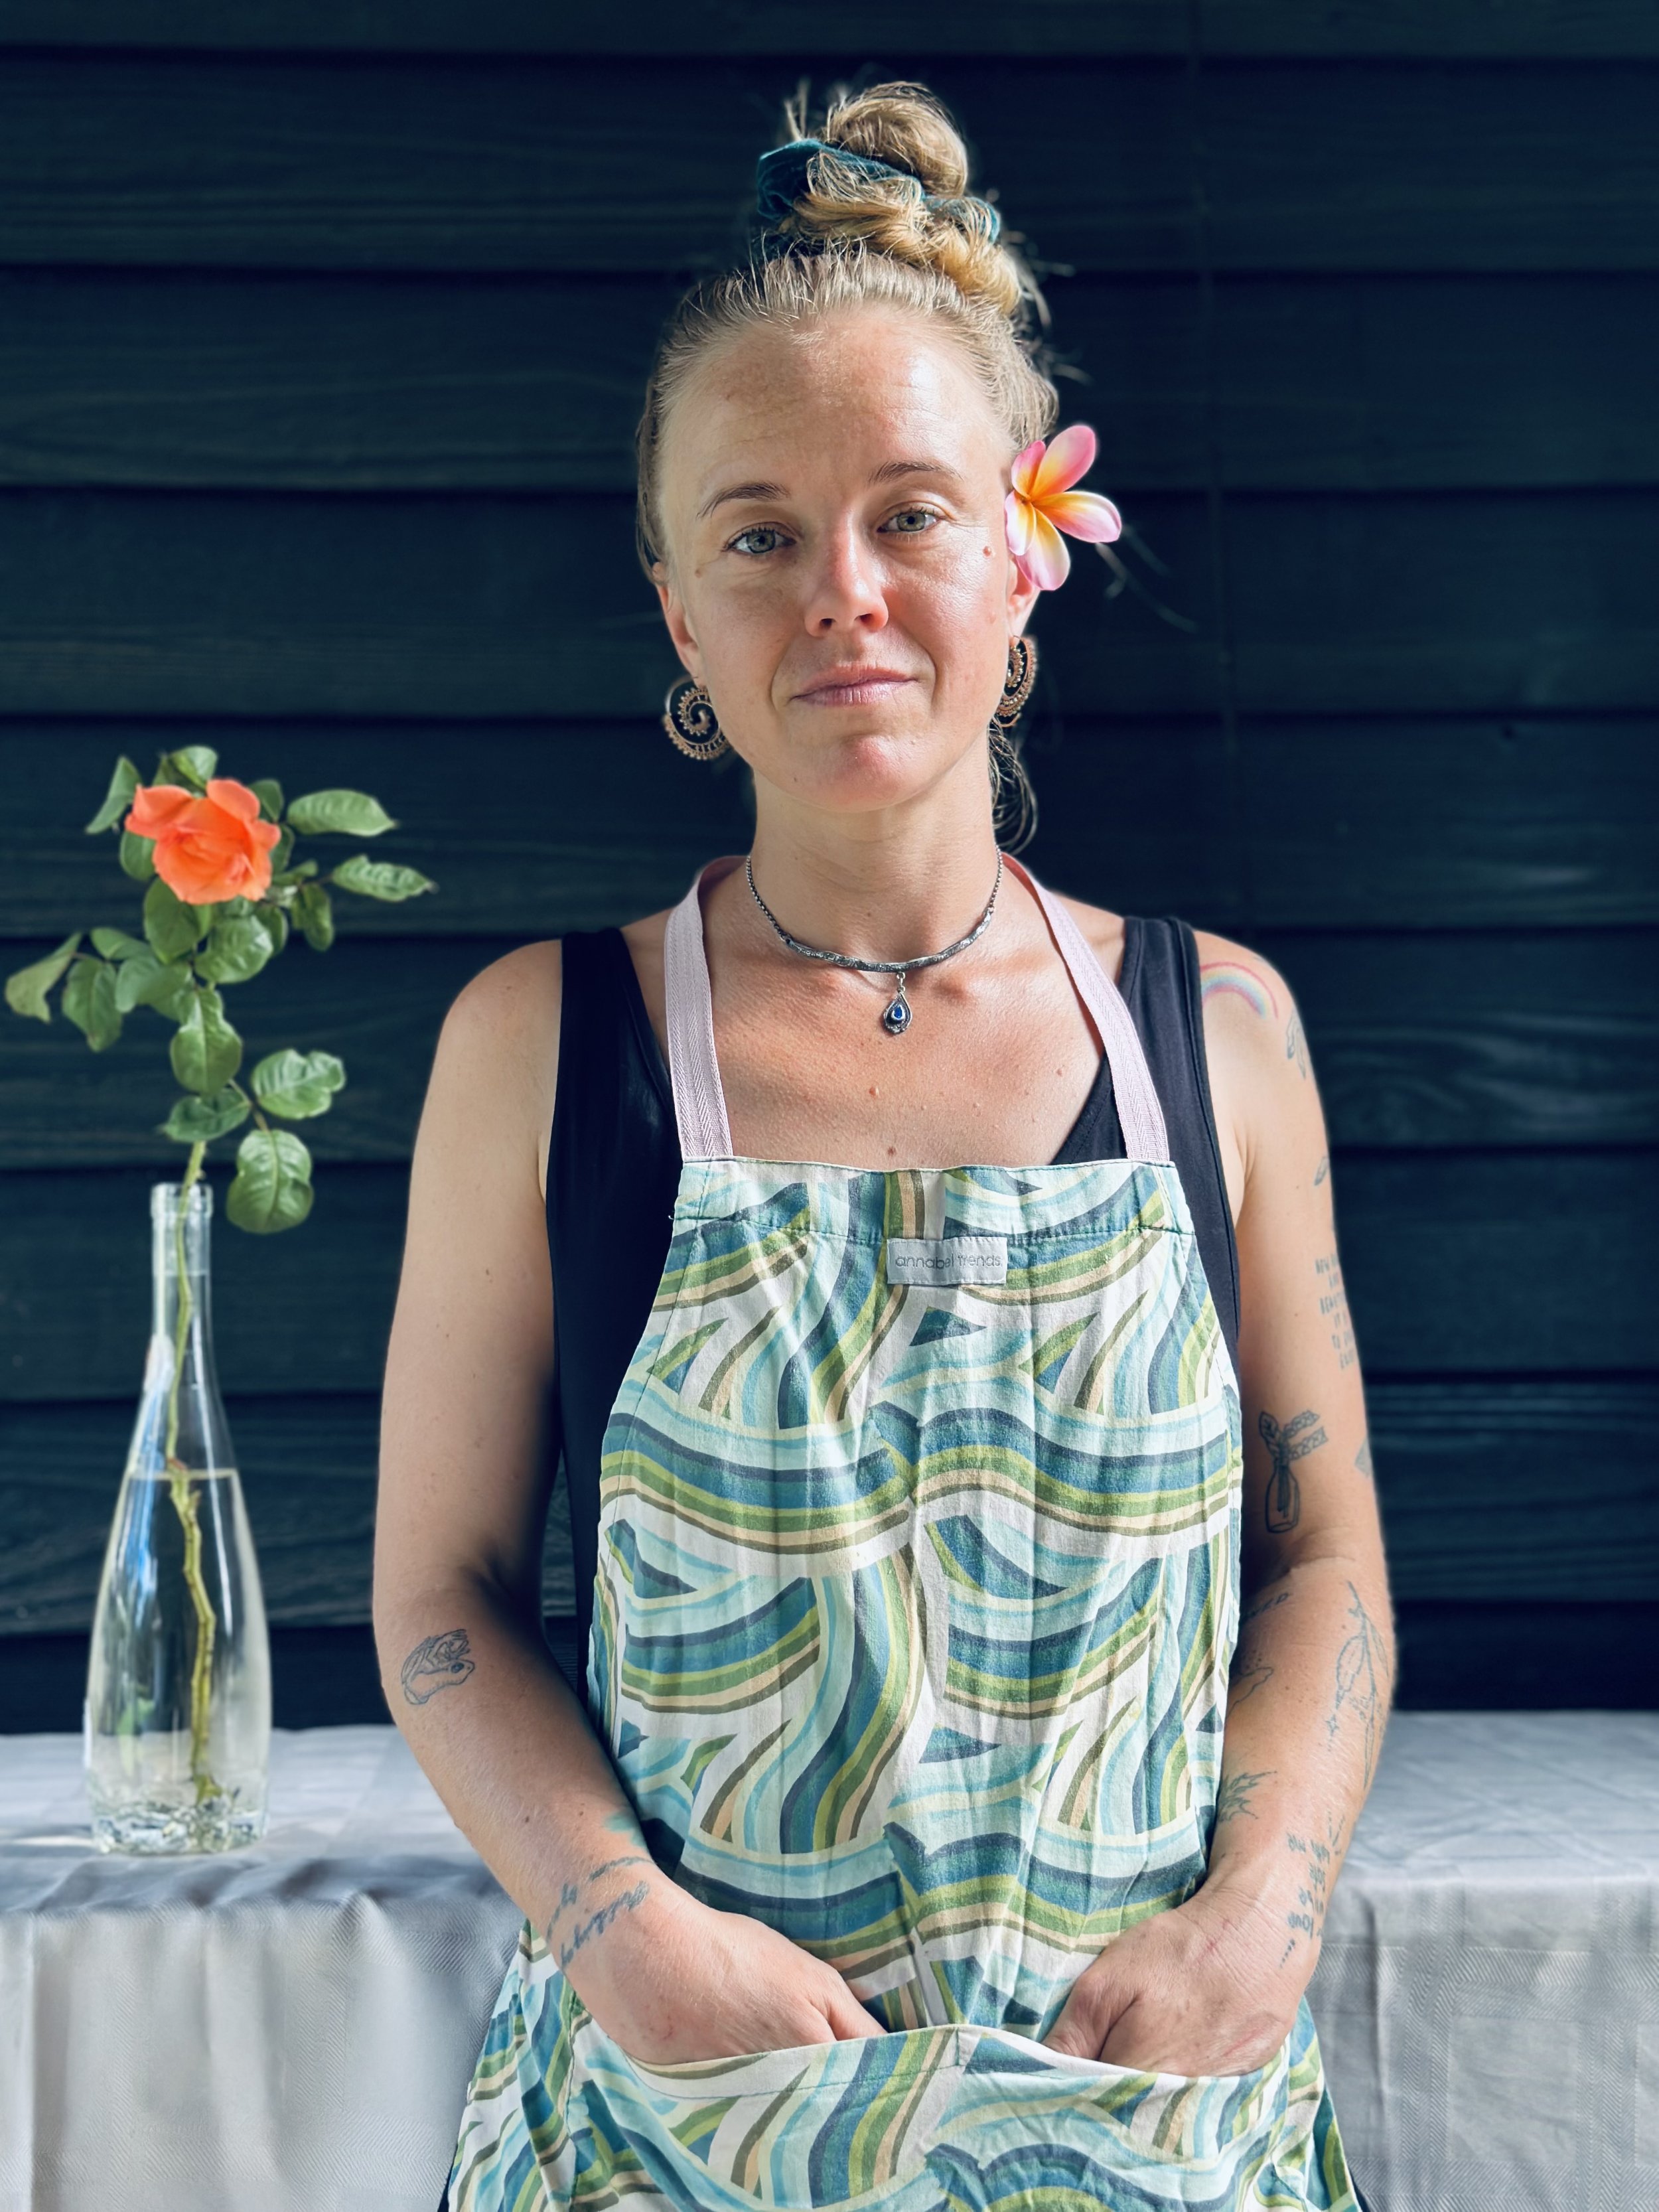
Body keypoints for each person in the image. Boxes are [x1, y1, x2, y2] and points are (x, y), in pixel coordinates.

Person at [374, 80, 1391, 2212]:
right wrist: (619, 1934)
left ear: (1026, 551)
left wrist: (1262, 1913)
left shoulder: (1220, 1035)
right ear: (678, 614)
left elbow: (1322, 1567)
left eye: (908, 512)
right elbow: (440, 1597)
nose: (838, 592)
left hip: (1146, 2124)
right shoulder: (545, 1049)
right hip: (682, 2135)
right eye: (755, 533)